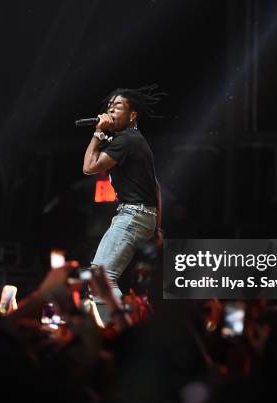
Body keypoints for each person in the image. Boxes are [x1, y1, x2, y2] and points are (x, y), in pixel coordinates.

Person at [82, 85, 165, 322]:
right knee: (104, 278)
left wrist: (97, 133)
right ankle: (127, 324)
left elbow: (89, 167)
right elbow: (156, 187)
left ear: (132, 115)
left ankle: (122, 329)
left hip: (133, 215)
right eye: (109, 106)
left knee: (101, 278)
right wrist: (156, 227)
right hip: (142, 216)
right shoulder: (133, 139)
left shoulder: (126, 140)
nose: (111, 109)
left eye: (118, 106)